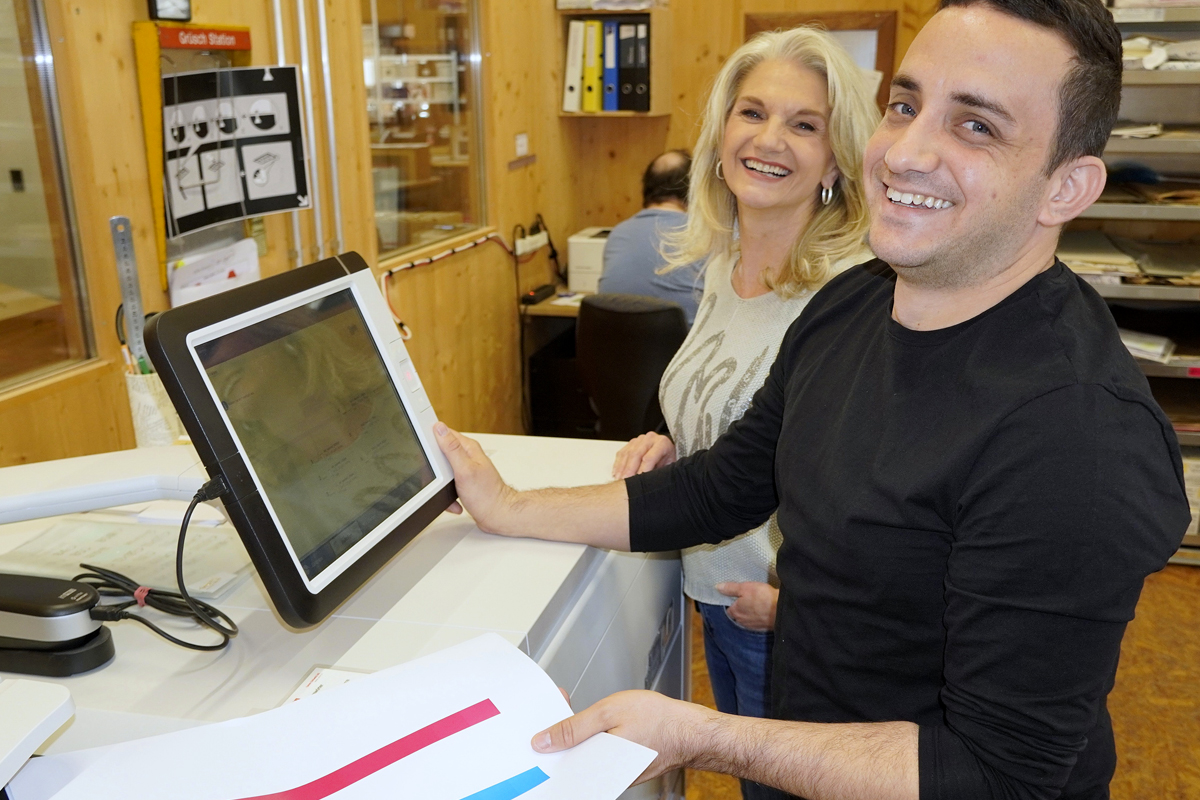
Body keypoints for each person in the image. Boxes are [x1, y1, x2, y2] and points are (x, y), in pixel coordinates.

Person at [434, 1, 1192, 798]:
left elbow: (996, 774)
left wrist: (704, 736)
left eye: (976, 127)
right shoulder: (853, 305)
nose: (905, 152)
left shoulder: (1077, 434)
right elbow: (721, 487)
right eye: (905, 105)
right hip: (808, 752)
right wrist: (510, 505)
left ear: (1066, 188)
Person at [605, 27, 878, 800]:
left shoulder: (850, 292)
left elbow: (873, 479)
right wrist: (673, 439)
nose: (769, 139)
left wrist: (800, 605)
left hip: (781, 616)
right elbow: (741, 421)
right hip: (712, 592)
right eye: (752, 112)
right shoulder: (724, 264)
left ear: (836, 158)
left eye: (804, 124)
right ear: (721, 133)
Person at [596, 150, 705, 324]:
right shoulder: (704, 235)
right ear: (694, 189)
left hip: (616, 340)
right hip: (684, 341)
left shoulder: (618, 233)